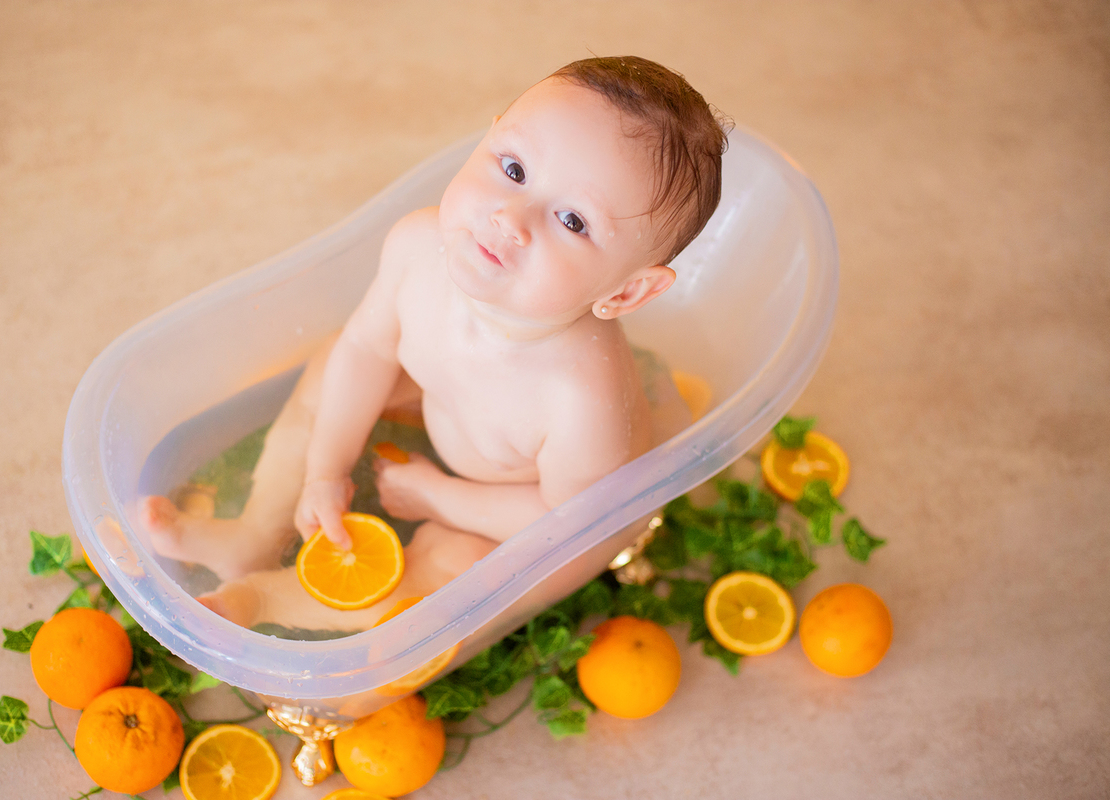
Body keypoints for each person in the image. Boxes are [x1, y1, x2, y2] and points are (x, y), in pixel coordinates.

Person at [141, 55, 730, 632]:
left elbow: (564, 523)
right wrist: (327, 469)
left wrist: (442, 497)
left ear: (627, 293)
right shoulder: (418, 248)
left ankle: (261, 599)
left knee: (457, 573)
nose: (510, 216)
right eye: (515, 169)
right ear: (489, 135)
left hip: (530, 506)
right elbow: (367, 351)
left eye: (573, 221)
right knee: (335, 364)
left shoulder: (581, 396)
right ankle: (255, 529)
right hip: (446, 410)